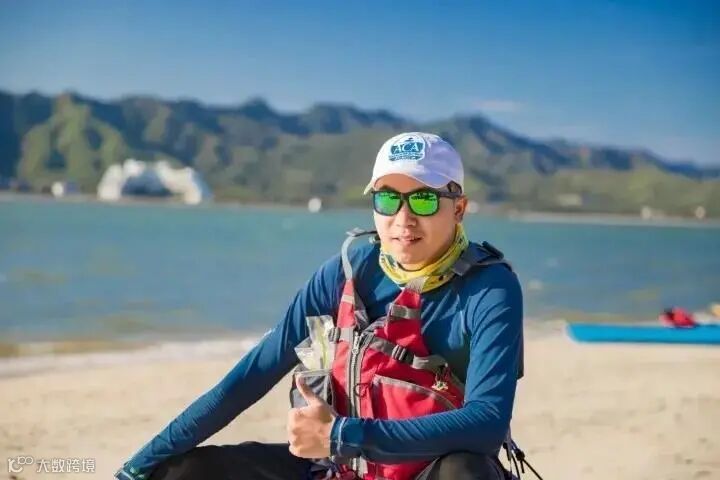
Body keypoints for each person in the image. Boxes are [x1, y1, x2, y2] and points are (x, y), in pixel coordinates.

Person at [115, 132, 525, 480]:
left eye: (422, 200)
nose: (403, 219)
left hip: (422, 471)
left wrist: (342, 435)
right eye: (387, 199)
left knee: (466, 472)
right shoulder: (347, 272)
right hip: (338, 469)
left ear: (458, 208)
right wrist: (136, 467)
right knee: (182, 472)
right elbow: (248, 379)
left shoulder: (490, 288)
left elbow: (487, 423)